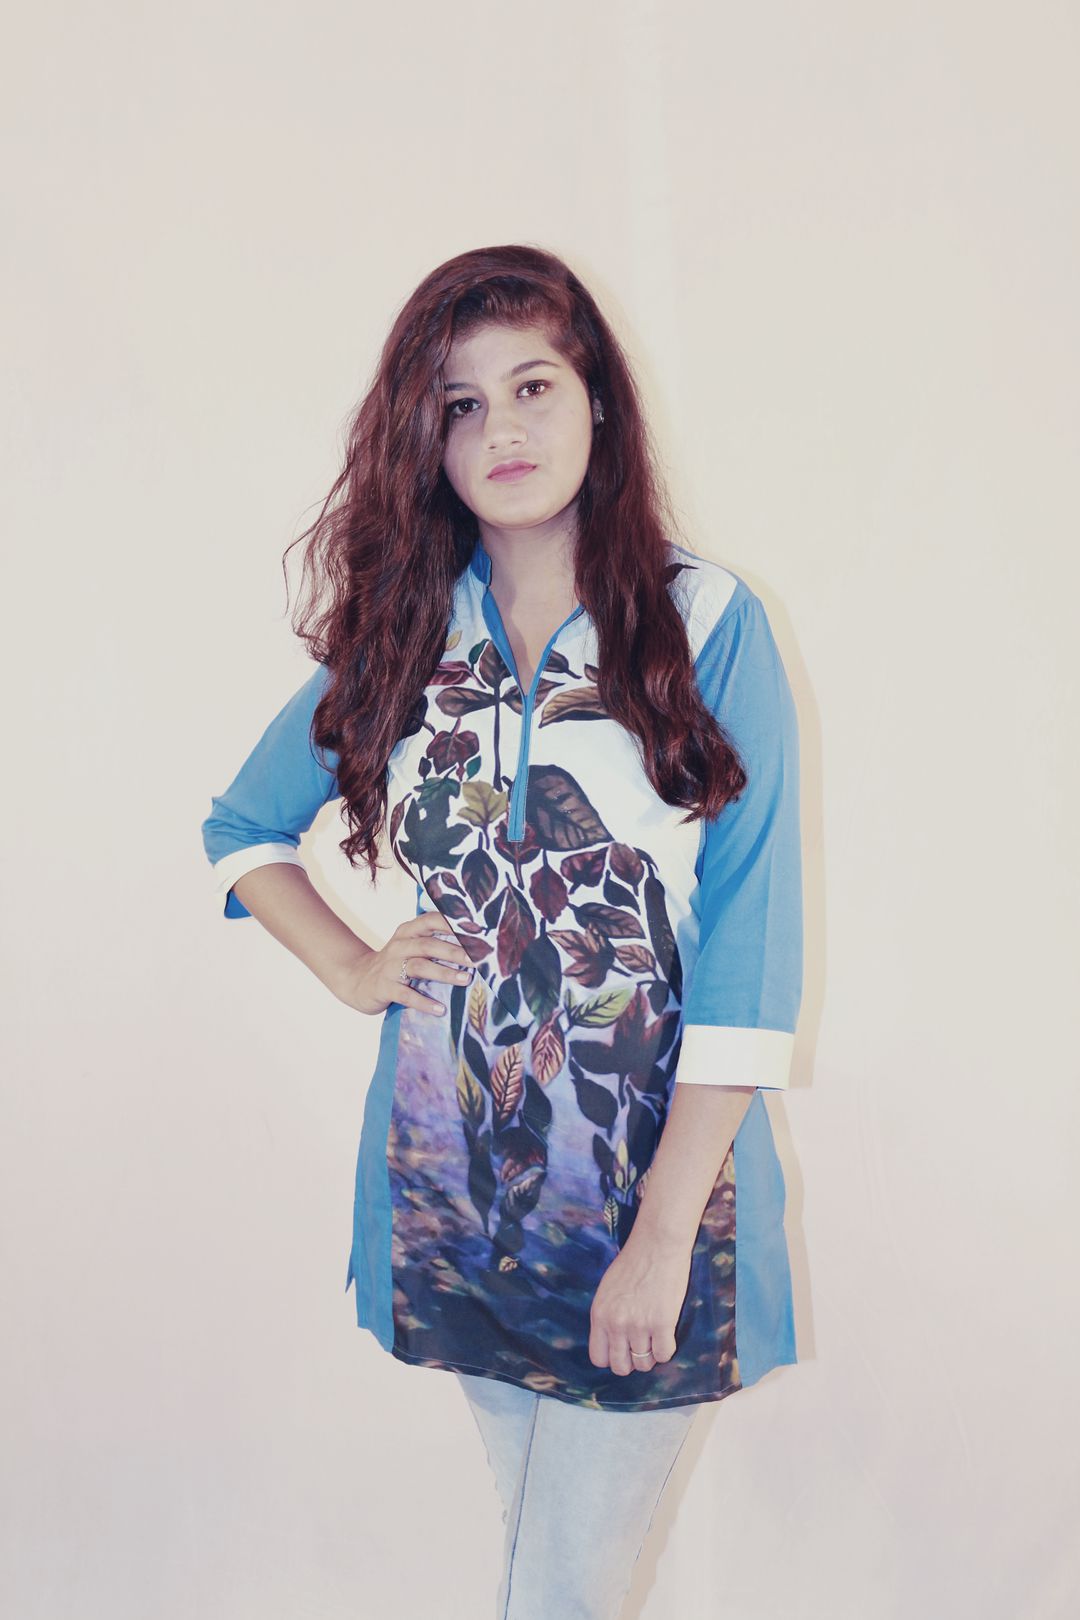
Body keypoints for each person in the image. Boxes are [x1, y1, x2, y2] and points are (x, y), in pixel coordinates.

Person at [200, 243, 804, 1619]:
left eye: (533, 386)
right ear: (426, 438)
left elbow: (753, 952)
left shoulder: (707, 623)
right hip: (453, 1182)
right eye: (460, 404)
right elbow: (243, 830)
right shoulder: (403, 635)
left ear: (597, 399)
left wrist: (661, 1236)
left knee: (564, 1590)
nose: (501, 430)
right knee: (548, 1571)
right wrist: (356, 967)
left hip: (651, 1190)